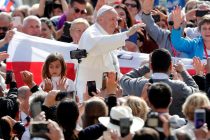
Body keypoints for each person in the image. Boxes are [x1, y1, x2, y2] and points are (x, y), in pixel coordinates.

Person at [76, 5, 145, 102]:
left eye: (117, 20)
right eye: (112, 19)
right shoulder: (91, 33)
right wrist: (126, 34)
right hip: (89, 93)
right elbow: (98, 45)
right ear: (100, 19)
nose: (115, 23)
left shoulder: (106, 37)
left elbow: (112, 67)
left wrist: (126, 82)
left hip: (105, 94)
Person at [120, 48, 199, 116]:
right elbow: (196, 92)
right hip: (175, 130)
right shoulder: (179, 87)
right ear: (171, 65)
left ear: (151, 66)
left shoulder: (140, 85)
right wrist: (183, 71)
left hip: (147, 131)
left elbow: (124, 79)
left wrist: (146, 67)